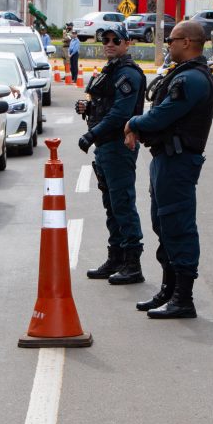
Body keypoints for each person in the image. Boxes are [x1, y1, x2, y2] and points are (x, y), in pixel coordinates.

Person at [123, 21, 213, 319]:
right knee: (163, 225)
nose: (169, 45)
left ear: (188, 42)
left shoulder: (192, 80)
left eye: (172, 40)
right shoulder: (183, 75)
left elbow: (161, 116)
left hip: (178, 162)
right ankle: (168, 289)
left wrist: (134, 123)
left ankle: (183, 298)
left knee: (178, 226)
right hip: (165, 159)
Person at [75, 23, 146, 284]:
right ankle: (116, 257)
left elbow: (120, 114)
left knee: (123, 204)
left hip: (118, 145)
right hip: (105, 147)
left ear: (127, 43)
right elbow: (104, 104)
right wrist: (88, 107)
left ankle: (132, 264)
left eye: (116, 40)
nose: (109, 43)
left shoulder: (128, 73)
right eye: (105, 39)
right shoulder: (111, 70)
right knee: (111, 205)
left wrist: (91, 134)